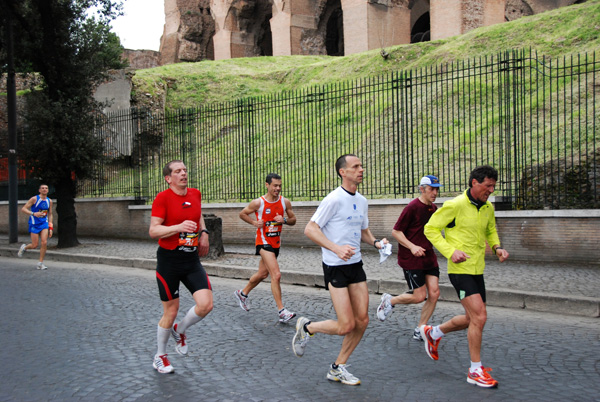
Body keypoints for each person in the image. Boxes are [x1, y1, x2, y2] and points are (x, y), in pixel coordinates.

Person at [292, 154, 388, 386]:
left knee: (362, 320)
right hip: (335, 267)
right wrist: (335, 248)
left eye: (361, 166)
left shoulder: (362, 201)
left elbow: (362, 230)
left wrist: (376, 243)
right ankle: (308, 327)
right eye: (355, 167)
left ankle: (338, 367)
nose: (361, 169)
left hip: (355, 265)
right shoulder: (333, 199)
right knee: (346, 325)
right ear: (342, 172)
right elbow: (310, 229)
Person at [421, 165, 509, 388]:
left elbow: (490, 229)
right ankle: (475, 370)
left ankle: (434, 332)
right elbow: (430, 229)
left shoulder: (487, 207)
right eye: (488, 186)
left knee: (472, 319)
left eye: (493, 186)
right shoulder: (456, 205)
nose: (491, 190)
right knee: (479, 317)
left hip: (477, 269)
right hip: (460, 270)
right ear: (474, 183)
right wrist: (451, 252)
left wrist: (497, 247)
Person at [148, 160, 213, 374]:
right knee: (171, 311)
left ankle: (180, 329)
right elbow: (153, 231)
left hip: (191, 260)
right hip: (169, 261)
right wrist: (178, 227)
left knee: (206, 305)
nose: (183, 173)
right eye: (178, 171)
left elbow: (198, 214)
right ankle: (160, 356)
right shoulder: (162, 198)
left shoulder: (195, 194)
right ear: (169, 178)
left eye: (185, 170)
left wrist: (203, 233)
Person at [376, 175, 442, 341]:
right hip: (411, 258)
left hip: (428, 257)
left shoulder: (433, 209)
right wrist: (412, 247)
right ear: (422, 189)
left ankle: (420, 328)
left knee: (434, 294)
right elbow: (396, 232)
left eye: (437, 189)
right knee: (419, 296)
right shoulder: (412, 207)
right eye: (431, 189)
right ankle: (390, 301)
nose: (435, 192)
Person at [234, 173, 298, 323]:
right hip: (263, 242)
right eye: (275, 185)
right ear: (267, 185)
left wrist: (285, 220)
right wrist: (254, 223)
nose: (278, 188)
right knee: (276, 275)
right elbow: (242, 214)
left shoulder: (285, 202)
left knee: (262, 274)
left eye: (280, 185)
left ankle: (242, 294)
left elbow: (294, 220)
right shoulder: (258, 203)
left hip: (276, 243)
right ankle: (282, 311)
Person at [18, 184, 53, 270]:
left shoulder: (49, 201)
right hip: (34, 223)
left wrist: (50, 227)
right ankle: (24, 247)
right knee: (34, 245)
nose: (44, 189)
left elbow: (50, 214)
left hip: (44, 223)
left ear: (48, 190)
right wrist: (34, 213)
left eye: (46, 188)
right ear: (39, 190)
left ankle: (40, 263)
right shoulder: (34, 199)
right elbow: (24, 209)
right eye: (42, 188)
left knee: (44, 242)